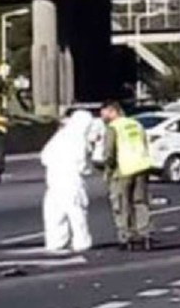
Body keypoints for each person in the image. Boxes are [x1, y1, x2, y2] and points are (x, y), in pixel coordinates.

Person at [101, 101, 154, 249]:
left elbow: (109, 153)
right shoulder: (136, 124)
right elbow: (144, 144)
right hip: (141, 167)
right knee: (140, 202)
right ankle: (145, 234)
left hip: (123, 169)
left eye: (104, 113)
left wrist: (108, 170)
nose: (103, 117)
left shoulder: (113, 127)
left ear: (113, 111)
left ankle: (126, 236)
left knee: (122, 204)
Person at [41, 110, 94, 254]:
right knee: (77, 213)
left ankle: (55, 242)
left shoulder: (60, 136)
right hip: (72, 180)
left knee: (54, 214)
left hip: (54, 180)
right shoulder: (79, 139)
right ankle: (81, 242)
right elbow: (83, 165)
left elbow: (44, 156)